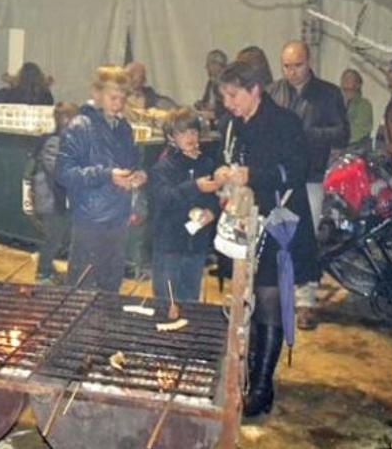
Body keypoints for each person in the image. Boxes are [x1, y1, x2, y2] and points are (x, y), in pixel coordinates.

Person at [216, 60, 320, 418]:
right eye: (224, 96)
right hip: (244, 223)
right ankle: (248, 370)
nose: (228, 102)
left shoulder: (284, 122)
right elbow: (228, 160)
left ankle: (263, 384)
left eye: (233, 95)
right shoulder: (232, 124)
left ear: (254, 89)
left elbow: (295, 170)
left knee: (270, 298)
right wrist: (224, 177)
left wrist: (252, 174)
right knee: (249, 299)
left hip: (279, 222)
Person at [269, 40, 348, 331]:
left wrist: (306, 133)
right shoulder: (274, 91)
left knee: (306, 238)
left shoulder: (328, 93)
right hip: (280, 177)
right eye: (287, 66)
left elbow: (342, 133)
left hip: (312, 175)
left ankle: (306, 301)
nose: (292, 72)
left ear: (309, 61)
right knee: (279, 237)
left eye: (297, 65)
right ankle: (280, 295)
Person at [57, 65, 145, 293]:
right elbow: (64, 172)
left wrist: (138, 174)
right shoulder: (80, 126)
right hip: (90, 219)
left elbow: (131, 161)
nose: (118, 104)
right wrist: (106, 175)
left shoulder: (123, 127)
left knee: (111, 284)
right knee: (83, 286)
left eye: (122, 99)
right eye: (113, 97)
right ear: (96, 94)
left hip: (118, 217)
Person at [149, 108, 220, 302]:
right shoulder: (163, 167)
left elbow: (215, 198)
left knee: (191, 298)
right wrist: (195, 186)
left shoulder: (207, 163)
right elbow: (164, 198)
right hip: (169, 245)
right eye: (183, 132)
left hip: (196, 245)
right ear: (171, 136)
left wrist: (212, 212)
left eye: (193, 132)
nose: (190, 137)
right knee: (166, 299)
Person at [32, 102, 77, 285]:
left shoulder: (68, 141)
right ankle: (42, 272)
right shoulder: (53, 142)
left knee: (61, 236)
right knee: (53, 237)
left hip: (61, 199)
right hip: (51, 200)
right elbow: (56, 171)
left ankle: (47, 267)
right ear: (65, 119)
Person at [194, 49, 230, 136]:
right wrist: (201, 105)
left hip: (221, 122)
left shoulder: (227, 84)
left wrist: (213, 114)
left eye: (209, 66)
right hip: (209, 121)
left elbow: (227, 109)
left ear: (216, 66)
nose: (207, 69)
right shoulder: (210, 83)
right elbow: (206, 101)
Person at [340, 68, 374, 147]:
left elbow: (359, 130)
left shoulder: (364, 105)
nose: (346, 80)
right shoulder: (334, 102)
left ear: (358, 84)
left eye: (349, 78)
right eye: (344, 78)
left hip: (355, 149)